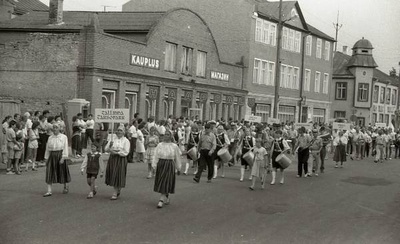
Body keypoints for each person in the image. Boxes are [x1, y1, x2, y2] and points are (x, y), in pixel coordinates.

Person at [152, 129, 182, 208]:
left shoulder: (174, 146)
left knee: (166, 180)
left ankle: (161, 199)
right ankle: (166, 195)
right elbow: (155, 155)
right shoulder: (160, 145)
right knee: (162, 180)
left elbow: (177, 157)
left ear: (171, 136)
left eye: (168, 134)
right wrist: (154, 165)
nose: (166, 136)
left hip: (169, 164)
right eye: (165, 134)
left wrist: (178, 168)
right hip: (161, 163)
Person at [43, 124, 71, 197]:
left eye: (56, 128)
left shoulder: (63, 137)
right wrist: (46, 158)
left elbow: (65, 147)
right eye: (54, 128)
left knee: (62, 171)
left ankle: (65, 186)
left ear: (59, 129)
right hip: (52, 155)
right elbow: (47, 148)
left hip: (60, 154)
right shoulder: (50, 137)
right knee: (49, 171)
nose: (55, 129)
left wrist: (63, 157)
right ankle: (49, 190)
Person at [104, 125, 130, 200]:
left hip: (121, 158)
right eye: (118, 130)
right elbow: (106, 149)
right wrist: (110, 147)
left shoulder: (126, 141)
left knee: (119, 174)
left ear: (123, 132)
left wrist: (117, 153)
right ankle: (115, 191)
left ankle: (118, 188)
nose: (119, 132)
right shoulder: (112, 140)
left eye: (121, 130)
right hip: (113, 159)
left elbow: (126, 151)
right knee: (113, 174)